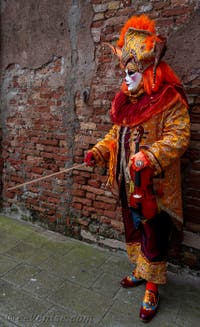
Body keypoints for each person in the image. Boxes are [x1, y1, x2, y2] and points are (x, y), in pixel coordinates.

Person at [84, 15, 190, 322]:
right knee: (133, 228)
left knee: (153, 234)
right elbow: (116, 134)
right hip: (127, 183)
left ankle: (153, 286)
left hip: (154, 186)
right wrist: (99, 151)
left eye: (132, 70)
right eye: (124, 70)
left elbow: (179, 136)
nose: (126, 77)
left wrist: (149, 155)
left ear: (147, 68)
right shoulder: (125, 101)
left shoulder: (168, 98)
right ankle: (141, 270)